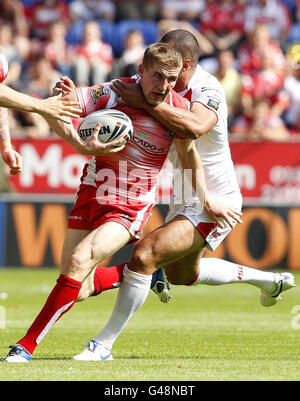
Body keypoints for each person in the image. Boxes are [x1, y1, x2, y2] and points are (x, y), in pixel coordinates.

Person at [69, 30, 295, 361]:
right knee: (182, 274)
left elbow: (194, 126)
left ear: (184, 64)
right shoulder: (156, 84)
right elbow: (107, 95)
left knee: (145, 254)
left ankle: (101, 346)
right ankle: (272, 282)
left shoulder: (208, 87)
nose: (159, 71)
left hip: (215, 199)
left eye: (168, 64)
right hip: (185, 192)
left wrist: (146, 101)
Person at [5, 42, 207, 363]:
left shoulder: (178, 110)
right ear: (140, 71)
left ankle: (25, 346)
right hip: (91, 193)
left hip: (131, 203)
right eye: (157, 77)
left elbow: (190, 154)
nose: (164, 86)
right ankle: (141, 271)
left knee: (80, 259)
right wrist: (80, 140)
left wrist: (204, 201)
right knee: (79, 287)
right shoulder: (113, 92)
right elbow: (56, 110)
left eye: (171, 79)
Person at [0, 52, 82, 175]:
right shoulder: (27, 82)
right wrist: (41, 105)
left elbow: (2, 98)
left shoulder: (54, 80)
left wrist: (5, 144)